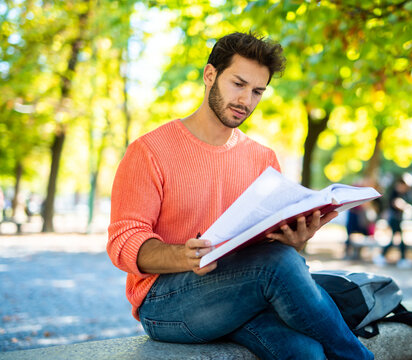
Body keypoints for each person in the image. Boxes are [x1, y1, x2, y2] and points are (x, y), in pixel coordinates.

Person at [107, 32, 373, 360]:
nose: (246, 100)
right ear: (210, 75)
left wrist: (294, 239)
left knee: (307, 352)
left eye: (257, 91)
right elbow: (123, 243)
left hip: (238, 294)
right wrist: (184, 256)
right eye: (238, 84)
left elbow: (270, 254)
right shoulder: (149, 151)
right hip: (165, 302)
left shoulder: (262, 159)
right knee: (280, 266)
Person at [373, 173, 412, 268]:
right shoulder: (394, 192)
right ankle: (393, 258)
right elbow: (395, 204)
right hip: (394, 219)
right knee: (397, 240)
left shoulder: (404, 193)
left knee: (398, 240)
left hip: (399, 219)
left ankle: (388, 257)